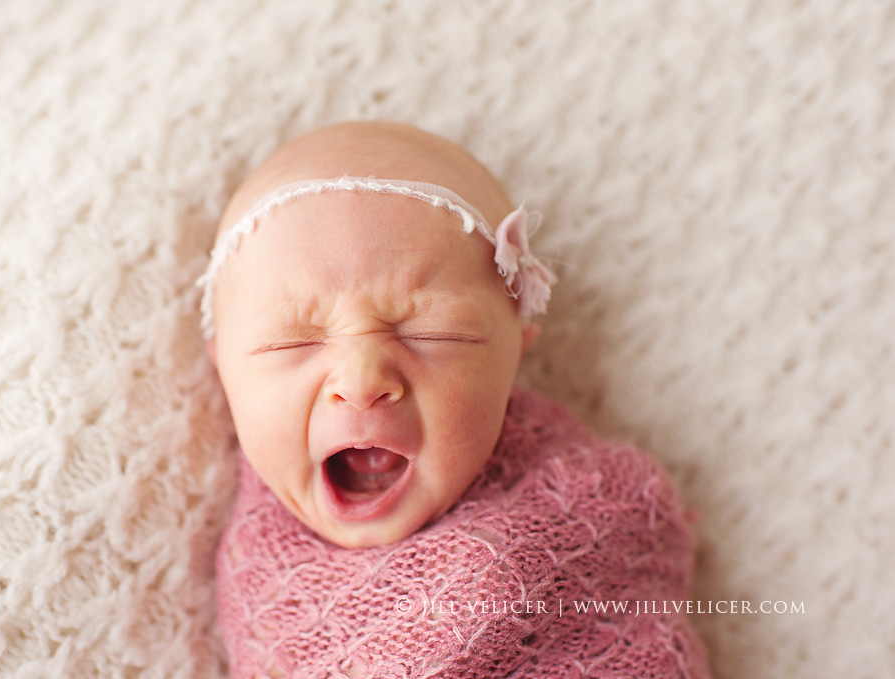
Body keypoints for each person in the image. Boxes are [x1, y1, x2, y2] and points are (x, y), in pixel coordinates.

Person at [198, 121, 712, 678]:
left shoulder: (584, 505)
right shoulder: (258, 566)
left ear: (515, 353)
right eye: (291, 342)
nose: (363, 379)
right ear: (222, 367)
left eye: (431, 333)